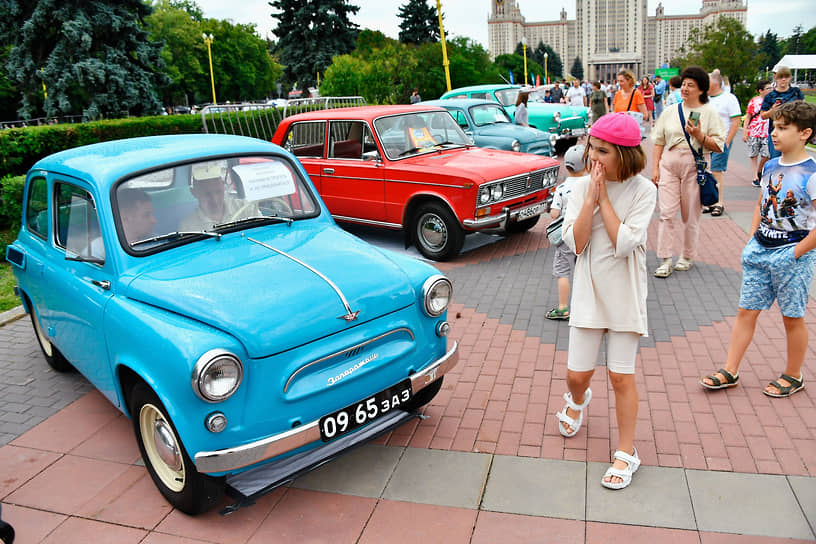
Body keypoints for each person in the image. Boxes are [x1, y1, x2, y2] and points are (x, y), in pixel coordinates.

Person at [555, 113, 656, 490]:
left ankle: (626, 452)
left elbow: (625, 243)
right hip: (588, 287)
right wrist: (590, 198)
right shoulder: (580, 187)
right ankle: (577, 399)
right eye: (591, 148)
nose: (592, 157)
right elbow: (576, 244)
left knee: (620, 375)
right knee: (577, 375)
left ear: (625, 155)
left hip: (625, 290)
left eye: (603, 151)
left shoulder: (645, 190)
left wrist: (605, 200)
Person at [700, 101, 816, 398]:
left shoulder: (811, 173)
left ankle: (794, 374)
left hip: (793, 251)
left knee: (792, 316)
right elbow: (761, 204)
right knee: (745, 311)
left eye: (783, 128)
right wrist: (752, 238)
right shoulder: (771, 166)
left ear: (805, 133)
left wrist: (796, 252)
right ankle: (730, 369)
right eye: (774, 127)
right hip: (761, 248)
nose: (774, 133)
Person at [651, 66, 725, 278]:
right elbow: (658, 141)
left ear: (701, 89)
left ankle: (687, 255)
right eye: (683, 84)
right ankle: (665, 259)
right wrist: (655, 168)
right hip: (670, 162)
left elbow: (718, 145)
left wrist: (699, 135)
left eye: (690, 85)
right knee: (666, 213)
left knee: (690, 215)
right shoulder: (670, 111)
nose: (684, 88)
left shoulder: (710, 113)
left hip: (695, 164)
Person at [545, 144, 587, 321]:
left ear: (567, 166)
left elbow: (554, 213)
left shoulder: (561, 189)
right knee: (584, 270)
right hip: (585, 234)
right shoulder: (589, 185)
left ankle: (563, 307)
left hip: (565, 236)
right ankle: (585, 307)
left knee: (562, 271)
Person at [704, 70, 741, 217]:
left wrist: (727, 141)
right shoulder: (704, 99)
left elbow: (736, 121)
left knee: (716, 170)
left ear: (715, 83)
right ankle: (709, 201)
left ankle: (718, 202)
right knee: (705, 171)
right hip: (703, 140)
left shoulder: (729, 99)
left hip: (720, 141)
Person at [180, 162, 258, 231]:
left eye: (218, 192)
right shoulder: (188, 227)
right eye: (207, 195)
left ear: (223, 186)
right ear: (194, 193)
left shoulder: (245, 208)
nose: (215, 200)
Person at [761, 66, 805, 160]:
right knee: (776, 159)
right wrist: (772, 110)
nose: (783, 80)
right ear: (776, 78)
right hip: (776, 131)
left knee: (793, 159)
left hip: (793, 131)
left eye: (786, 77)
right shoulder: (770, 96)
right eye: (781, 77)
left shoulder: (796, 92)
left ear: (790, 78)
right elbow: (763, 115)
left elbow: (804, 109)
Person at [743, 79, 773, 188]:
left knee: (766, 155)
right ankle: (755, 176)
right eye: (768, 88)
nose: (770, 90)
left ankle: (760, 171)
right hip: (754, 131)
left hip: (767, 132)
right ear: (760, 90)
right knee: (753, 155)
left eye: (771, 88)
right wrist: (745, 131)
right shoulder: (754, 101)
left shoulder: (773, 101)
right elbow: (748, 117)